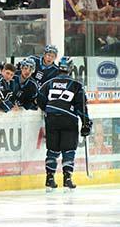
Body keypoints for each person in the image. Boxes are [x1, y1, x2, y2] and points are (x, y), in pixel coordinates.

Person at [38, 56, 92, 192]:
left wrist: (49, 110)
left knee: (52, 149)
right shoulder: (76, 85)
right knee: (68, 150)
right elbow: (82, 107)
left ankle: (49, 178)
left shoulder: (48, 83)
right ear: (71, 68)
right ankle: (67, 178)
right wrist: (86, 123)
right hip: (68, 120)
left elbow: (40, 99)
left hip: (51, 119)